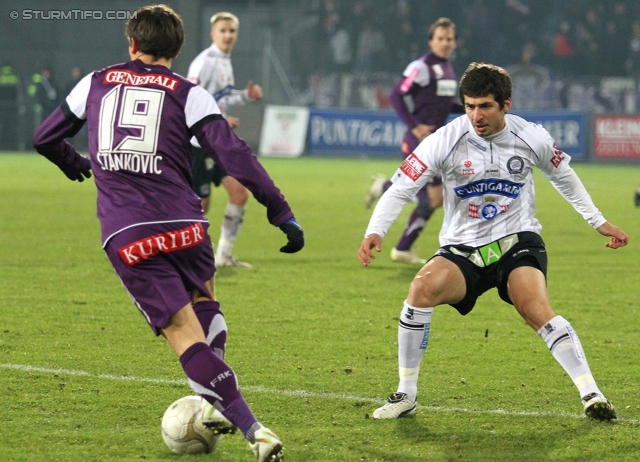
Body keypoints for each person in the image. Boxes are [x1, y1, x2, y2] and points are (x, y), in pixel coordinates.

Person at [33, 5, 304, 461]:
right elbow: (235, 155)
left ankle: (253, 429)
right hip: (186, 225)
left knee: (183, 332)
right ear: (177, 51)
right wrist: (280, 210)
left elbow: (45, 137)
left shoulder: (96, 82)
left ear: (132, 44)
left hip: (130, 233)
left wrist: (77, 163)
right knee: (204, 308)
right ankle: (211, 404)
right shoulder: (188, 92)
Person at [358, 62, 628, 422]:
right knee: (420, 290)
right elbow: (402, 186)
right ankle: (406, 393)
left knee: (534, 306)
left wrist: (599, 221)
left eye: (485, 106)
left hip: (516, 241)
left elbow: (565, 177)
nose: (476, 115)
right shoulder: (444, 139)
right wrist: (374, 230)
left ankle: (592, 394)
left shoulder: (531, 137)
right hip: (462, 249)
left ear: (506, 104)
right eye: (469, 106)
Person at [364, 17, 463, 264]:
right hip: (418, 142)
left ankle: (403, 247)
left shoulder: (447, 68)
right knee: (431, 198)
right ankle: (401, 245)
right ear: (431, 41)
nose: (445, 43)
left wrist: (470, 108)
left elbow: (443, 103)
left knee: (434, 199)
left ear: (455, 42)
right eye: (440, 38)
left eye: (449, 39)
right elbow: (397, 95)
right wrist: (415, 126)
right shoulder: (421, 66)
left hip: (437, 142)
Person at [187, 12, 263, 268]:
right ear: (213, 34)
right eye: (223, 31)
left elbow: (222, 99)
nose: (228, 35)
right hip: (198, 143)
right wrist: (217, 120)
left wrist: (246, 96)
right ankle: (169, 250)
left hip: (217, 143)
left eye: (232, 31)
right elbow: (188, 100)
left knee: (240, 193)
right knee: (199, 206)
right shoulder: (204, 62)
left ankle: (222, 255)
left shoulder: (225, 61)